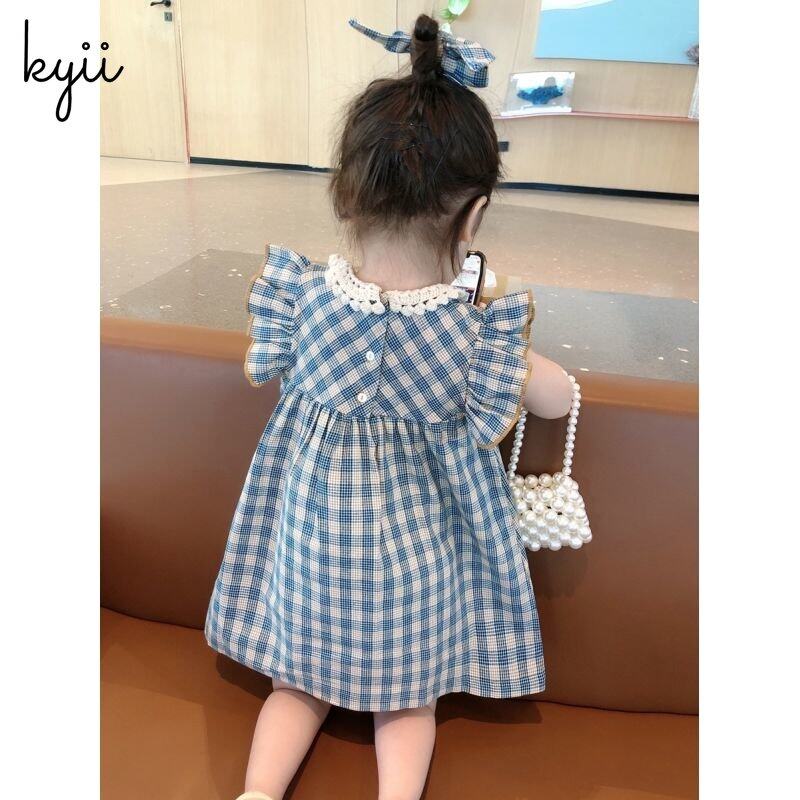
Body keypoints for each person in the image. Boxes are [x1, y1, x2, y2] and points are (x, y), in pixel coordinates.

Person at [205, 14, 573, 800]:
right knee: (409, 702)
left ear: (345, 197)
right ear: (474, 215)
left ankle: (257, 793)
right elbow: (558, 397)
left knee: (293, 686)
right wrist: (487, 300)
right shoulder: (470, 335)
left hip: (309, 556)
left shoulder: (302, 301)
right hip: (418, 574)